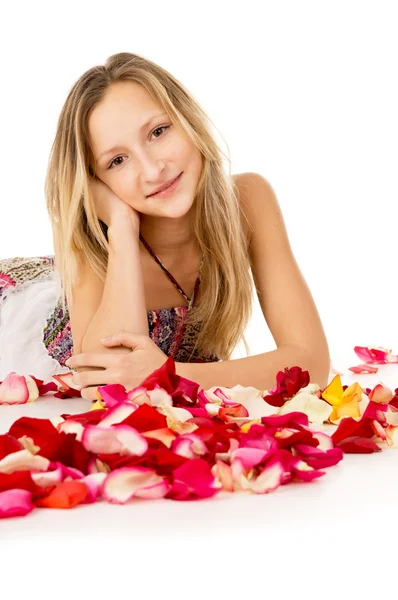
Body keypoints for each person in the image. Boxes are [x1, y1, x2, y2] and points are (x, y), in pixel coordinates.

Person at [0, 52, 331, 399]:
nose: (153, 169)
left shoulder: (249, 200)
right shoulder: (97, 237)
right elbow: (107, 385)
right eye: (117, 160)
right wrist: (122, 227)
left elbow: (310, 363)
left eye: (158, 131)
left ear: (188, 119)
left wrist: (166, 374)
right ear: (95, 180)